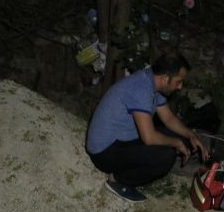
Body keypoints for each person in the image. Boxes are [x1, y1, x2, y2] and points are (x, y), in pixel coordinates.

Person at [86, 52, 209, 203]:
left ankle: (171, 160)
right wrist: (176, 143)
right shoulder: (141, 88)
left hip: (122, 139)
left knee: (179, 136)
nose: (180, 87)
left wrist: (191, 136)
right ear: (165, 78)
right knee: (166, 156)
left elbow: (169, 119)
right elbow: (149, 137)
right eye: (178, 82)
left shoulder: (151, 82)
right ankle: (118, 181)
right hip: (104, 151)